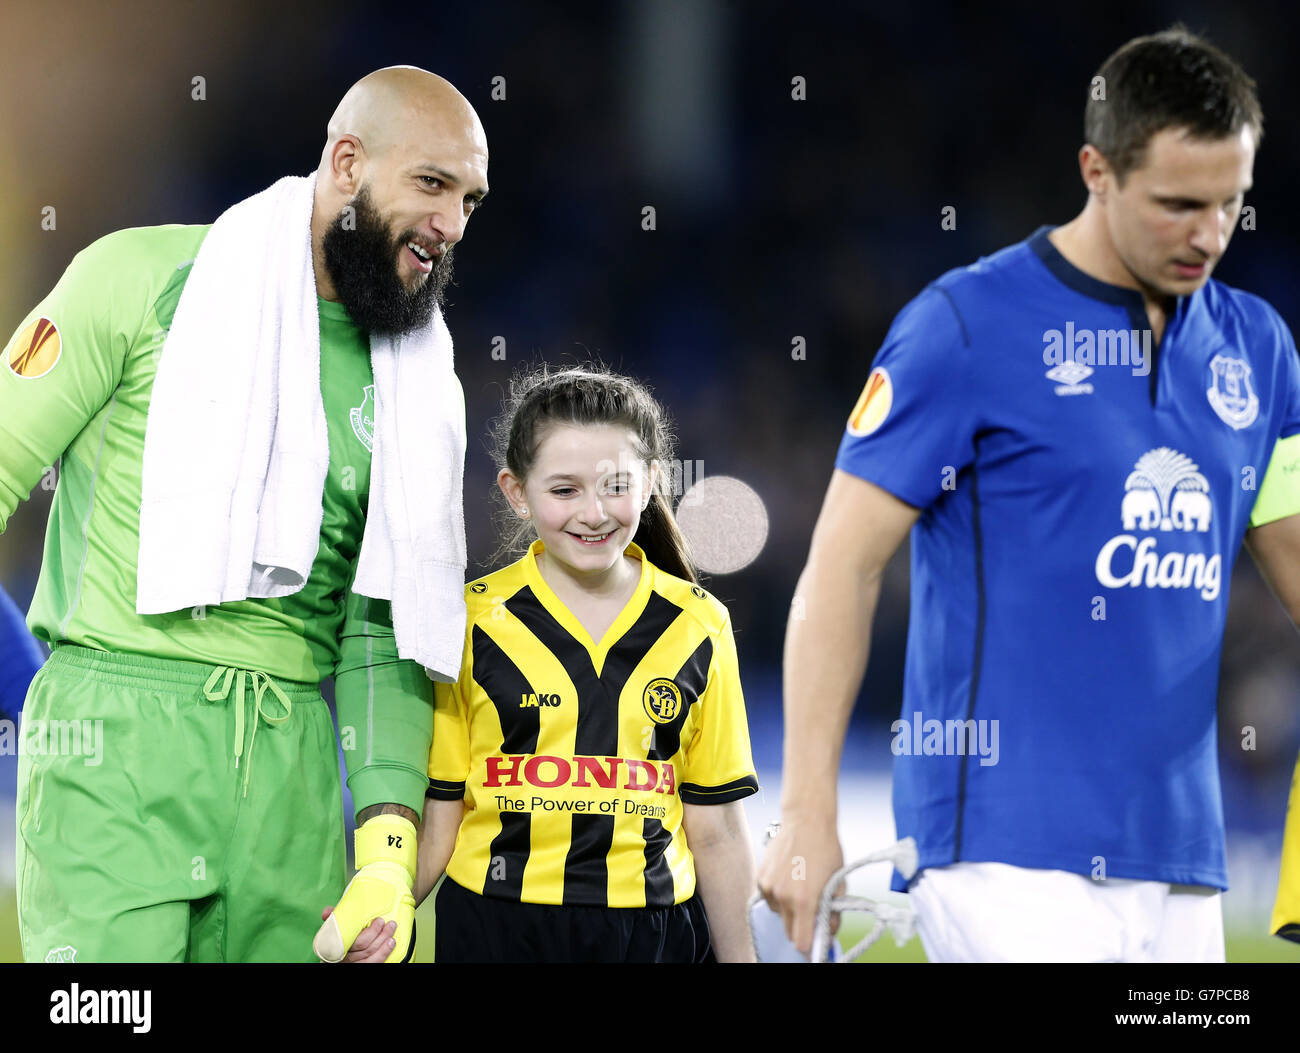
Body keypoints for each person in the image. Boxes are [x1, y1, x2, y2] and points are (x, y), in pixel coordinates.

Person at [758, 25, 1300, 962]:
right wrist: (805, 805)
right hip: (1004, 845)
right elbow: (842, 567)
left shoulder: (1258, 348)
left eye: (1229, 203)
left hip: (1182, 854)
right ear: (1096, 169)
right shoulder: (967, 327)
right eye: (1178, 204)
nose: (1209, 235)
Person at [0, 66, 488, 962]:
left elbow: (385, 626)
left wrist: (384, 852)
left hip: (295, 780)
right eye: (430, 183)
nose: (451, 225)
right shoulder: (138, 279)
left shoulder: (420, 386)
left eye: (468, 200)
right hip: (115, 750)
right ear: (347, 163)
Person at [350, 364, 760, 963]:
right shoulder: (469, 623)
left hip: (653, 936)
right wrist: (388, 913)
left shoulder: (700, 625)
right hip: (493, 931)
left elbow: (717, 832)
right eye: (564, 490)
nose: (593, 513)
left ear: (650, 483)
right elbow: (443, 809)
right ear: (517, 493)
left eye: (615, 486)